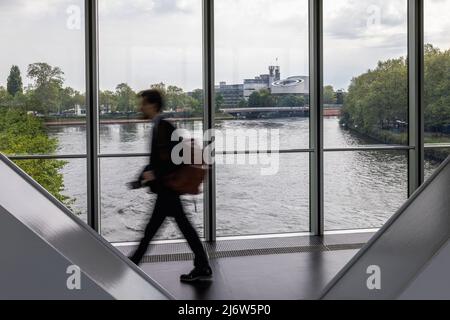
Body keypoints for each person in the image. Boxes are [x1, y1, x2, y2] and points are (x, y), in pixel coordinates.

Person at [128, 89, 212, 282]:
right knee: (178, 226)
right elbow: (157, 160)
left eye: (143, 103)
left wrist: (153, 174)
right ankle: (202, 266)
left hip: (167, 189)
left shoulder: (164, 126)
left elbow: (176, 159)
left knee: (152, 231)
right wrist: (141, 178)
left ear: (152, 105)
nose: (140, 107)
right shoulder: (159, 125)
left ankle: (132, 264)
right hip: (166, 189)